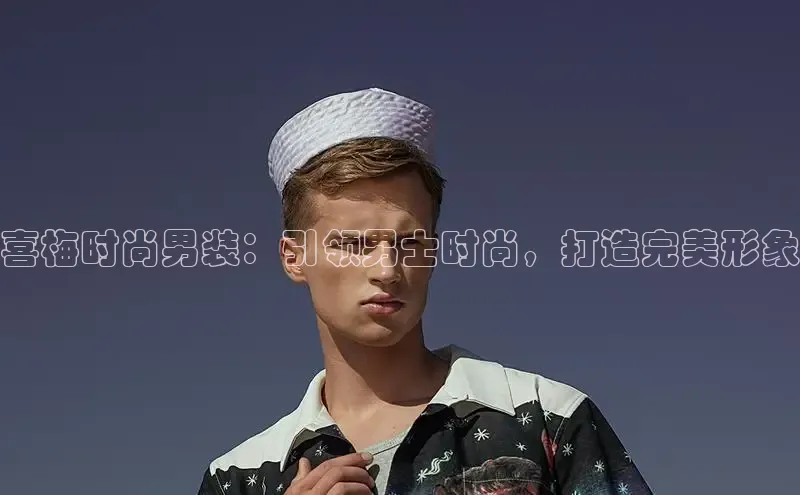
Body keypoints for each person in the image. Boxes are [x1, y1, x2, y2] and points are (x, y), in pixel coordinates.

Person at [196, 88, 653, 495]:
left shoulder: (549, 419)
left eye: (409, 243)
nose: (387, 269)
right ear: (294, 257)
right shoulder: (238, 478)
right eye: (354, 244)